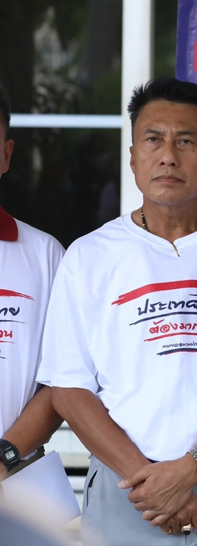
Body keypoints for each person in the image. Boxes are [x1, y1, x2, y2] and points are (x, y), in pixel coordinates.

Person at [36, 77, 197, 545]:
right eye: (153, 139)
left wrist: (190, 471)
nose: (168, 156)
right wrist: (153, 483)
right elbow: (69, 389)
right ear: (132, 155)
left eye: (187, 141)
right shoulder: (89, 255)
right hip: (127, 489)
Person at [0, 82, 64, 487]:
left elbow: (66, 378)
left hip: (19, 472)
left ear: (6, 155)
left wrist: (4, 456)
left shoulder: (46, 254)